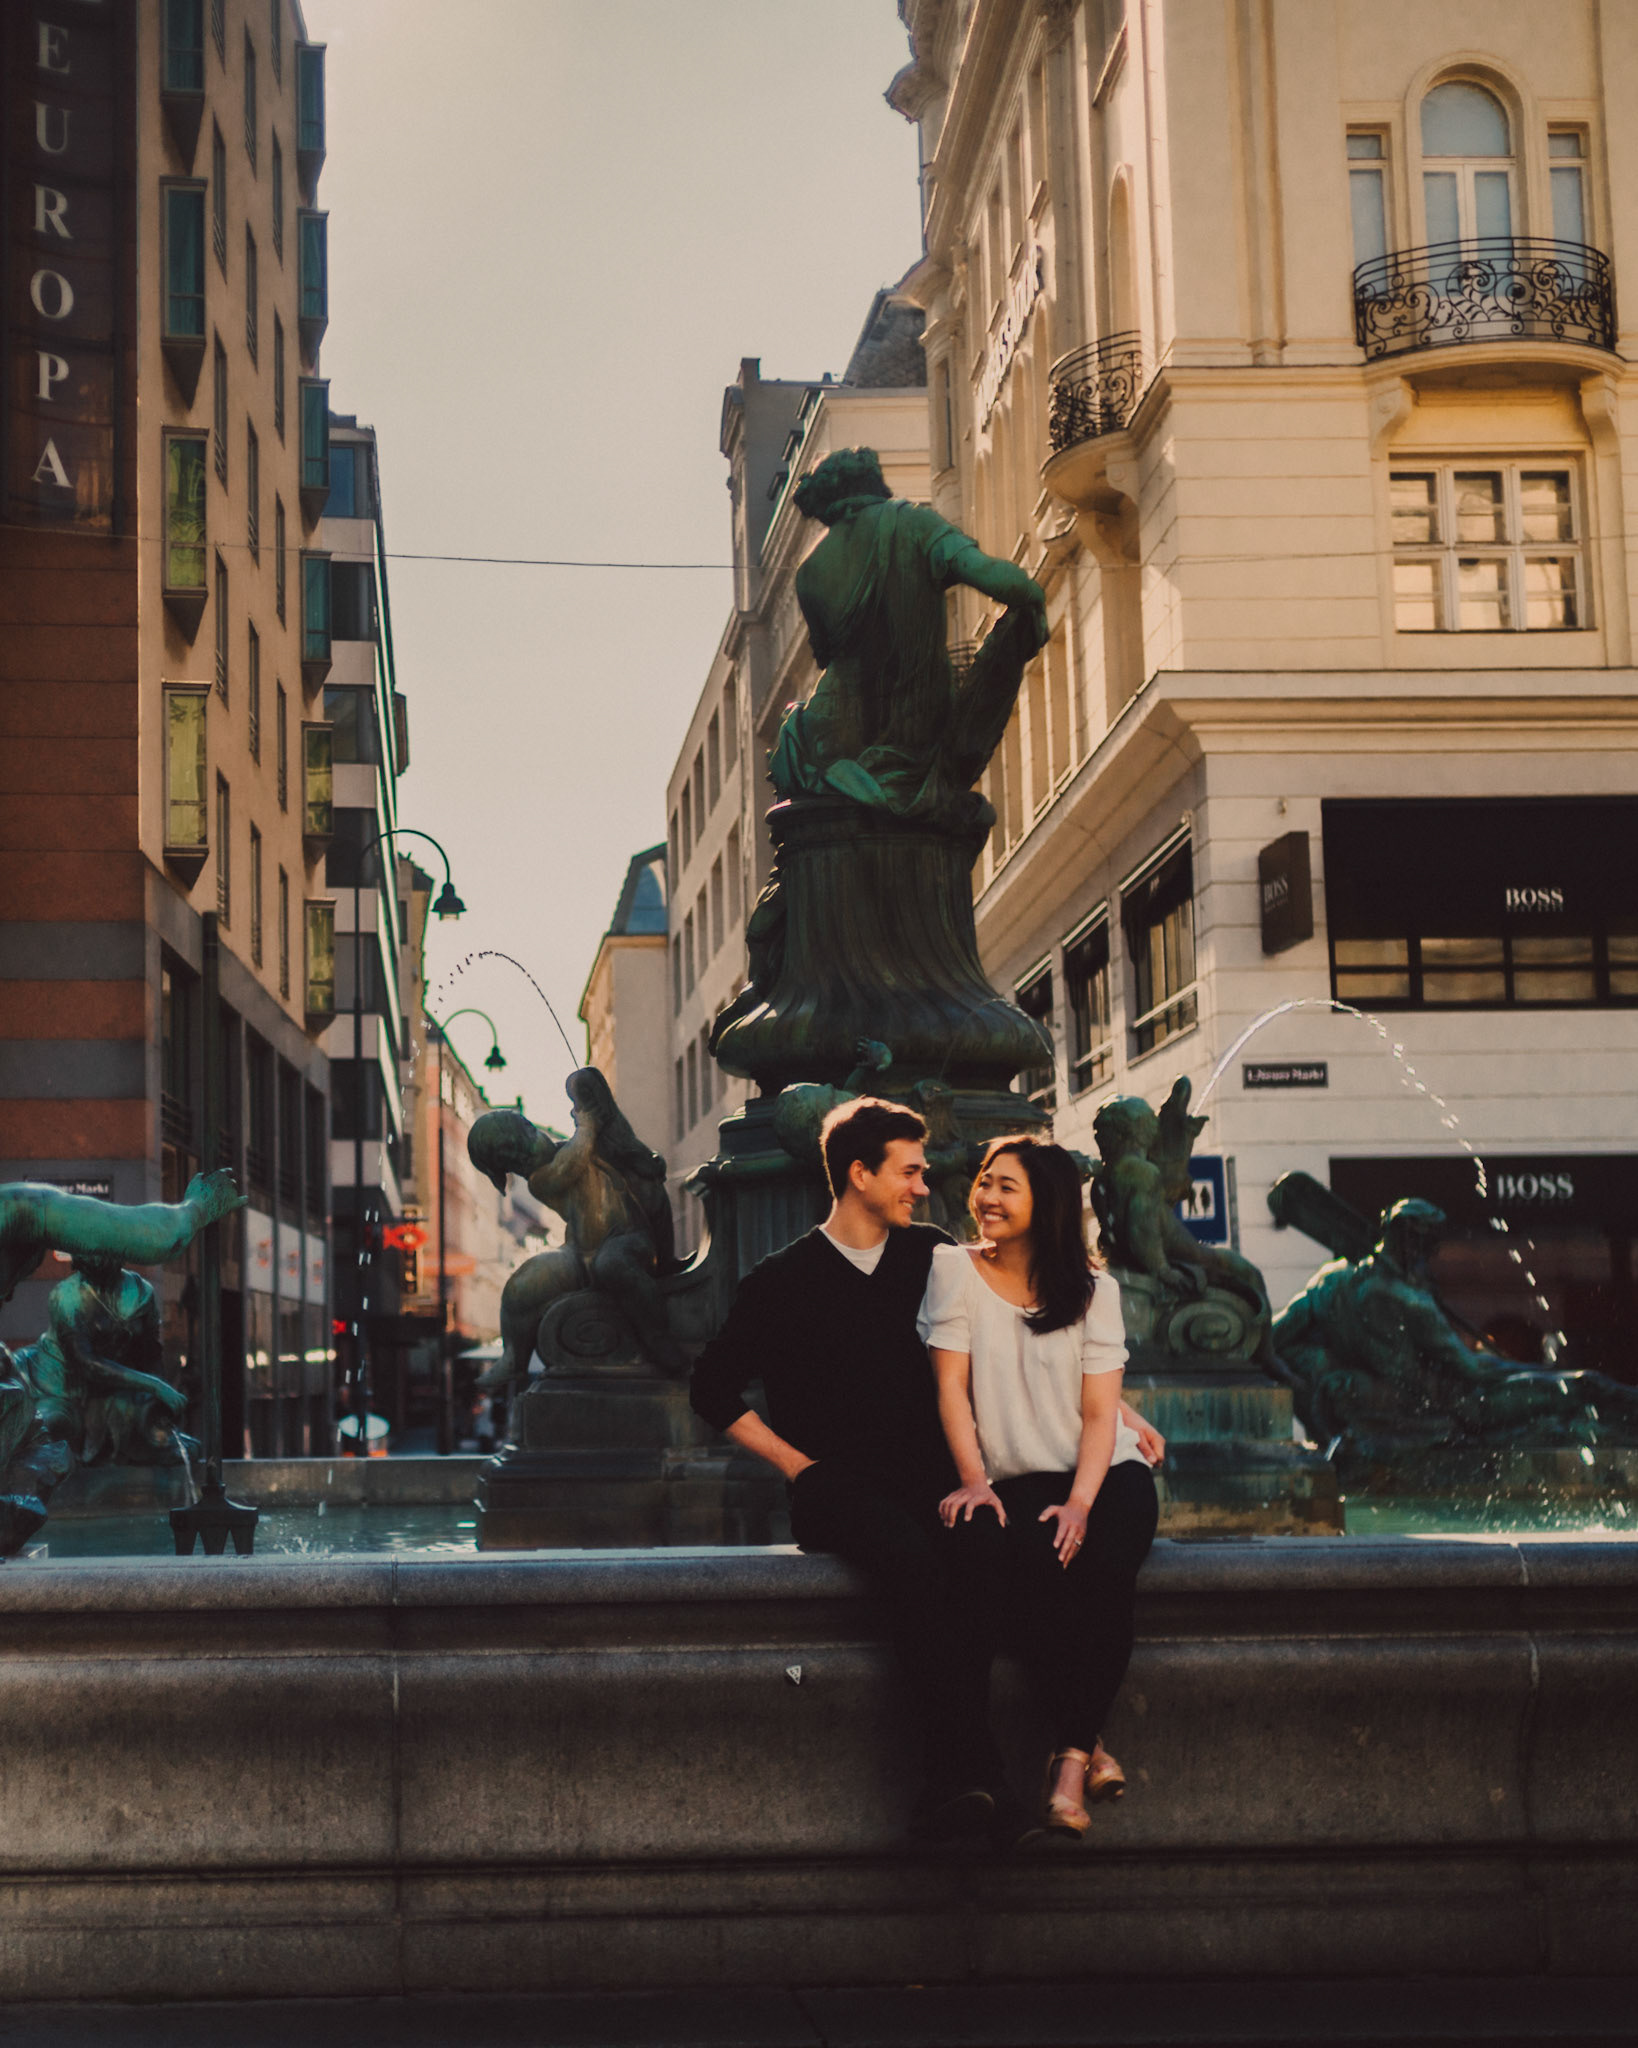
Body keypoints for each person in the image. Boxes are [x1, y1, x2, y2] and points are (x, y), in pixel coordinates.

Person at [689, 1097, 1012, 1842]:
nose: (923, 1187)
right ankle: (978, 1780)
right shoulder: (780, 1280)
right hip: (837, 1490)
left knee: (983, 1549)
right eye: (909, 1173)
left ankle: (956, 1788)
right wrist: (800, 1468)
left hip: (933, 1482)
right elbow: (711, 1389)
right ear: (860, 1174)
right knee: (910, 1561)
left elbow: (1016, 1334)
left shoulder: (933, 1256)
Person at [922, 1135, 1161, 1841]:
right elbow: (950, 1387)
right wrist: (974, 1480)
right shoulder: (953, 1269)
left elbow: (1100, 1414)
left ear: (1047, 1203)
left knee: (1107, 1571)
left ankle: (1070, 1763)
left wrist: (1082, 1504)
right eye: (985, 1182)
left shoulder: (1095, 1290)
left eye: (1007, 1187)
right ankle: (1089, 1746)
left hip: (1104, 1469)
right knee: (1035, 1571)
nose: (986, 1197)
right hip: (1017, 1474)